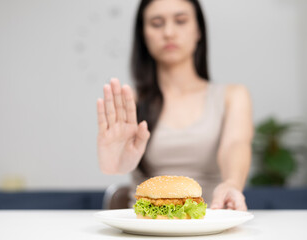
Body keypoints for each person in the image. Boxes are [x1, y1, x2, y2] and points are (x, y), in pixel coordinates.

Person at [96, 0, 253, 210]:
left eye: (180, 21)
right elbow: (117, 163)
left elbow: (235, 145)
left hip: (212, 221)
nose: (169, 32)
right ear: (143, 34)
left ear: (198, 30)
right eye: (156, 23)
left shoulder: (232, 95)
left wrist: (232, 182)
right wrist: (113, 164)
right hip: (146, 227)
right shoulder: (129, 103)